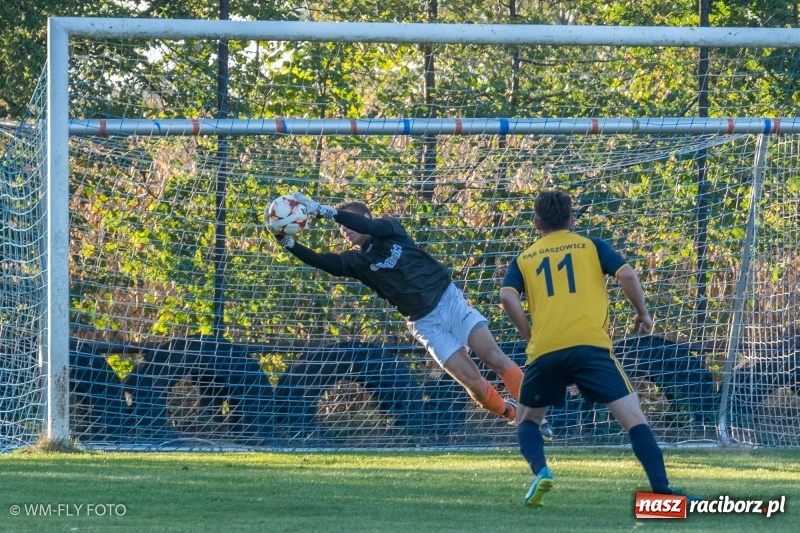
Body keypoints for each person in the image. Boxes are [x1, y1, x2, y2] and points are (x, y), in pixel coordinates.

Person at [499, 189, 693, 507]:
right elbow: (627, 274)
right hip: (591, 348)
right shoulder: (590, 246)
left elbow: (507, 298)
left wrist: (528, 333)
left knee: (528, 421)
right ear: (572, 221)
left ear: (536, 222)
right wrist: (642, 314)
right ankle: (662, 494)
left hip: (545, 350)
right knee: (635, 420)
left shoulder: (523, 259)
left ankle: (542, 471)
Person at [269, 191, 524, 424]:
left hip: (449, 301)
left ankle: (536, 410)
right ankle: (511, 413)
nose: (345, 230)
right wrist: (289, 244)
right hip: (425, 324)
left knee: (492, 357)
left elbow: (367, 226)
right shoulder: (356, 261)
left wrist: (322, 210)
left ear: (367, 217)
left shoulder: (389, 229)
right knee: (475, 386)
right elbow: (323, 262)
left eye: (349, 224)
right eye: (341, 228)